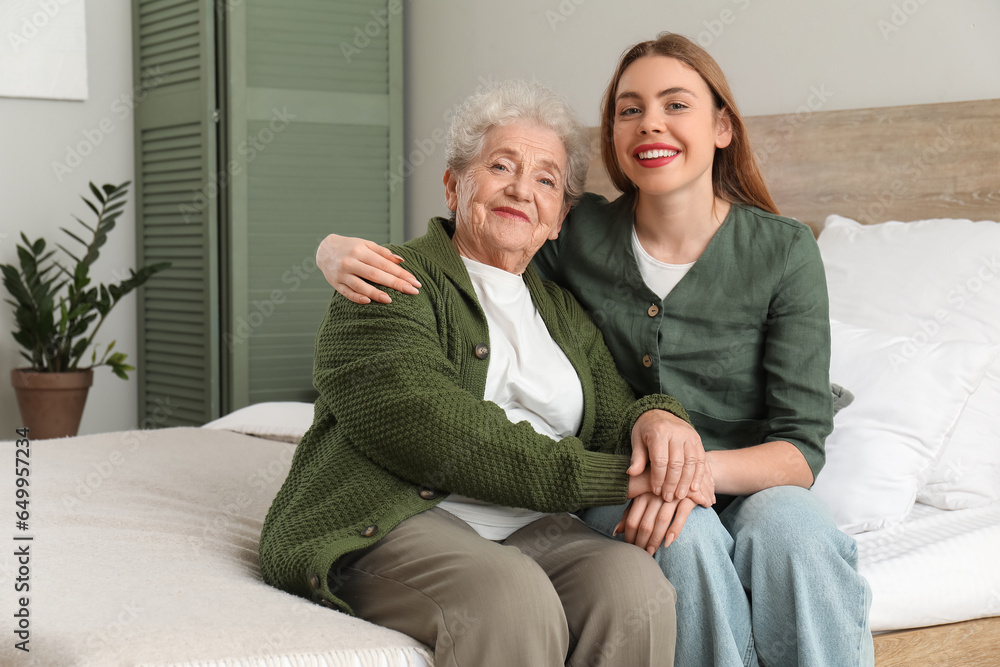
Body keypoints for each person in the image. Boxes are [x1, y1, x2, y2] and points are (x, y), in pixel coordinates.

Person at [314, 33, 875, 667]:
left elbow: (798, 448)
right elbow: (471, 255)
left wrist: (678, 468)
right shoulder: (577, 230)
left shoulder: (782, 250)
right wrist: (331, 249)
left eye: (675, 105)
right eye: (629, 109)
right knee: (679, 536)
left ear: (723, 126)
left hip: (735, 479)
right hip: (617, 478)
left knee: (796, 534)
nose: (650, 124)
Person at [259, 79, 704, 667]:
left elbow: (615, 408)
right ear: (453, 184)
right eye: (501, 166)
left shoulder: (562, 311)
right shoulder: (387, 279)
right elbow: (432, 430)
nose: (523, 189)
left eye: (546, 179)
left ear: (560, 218)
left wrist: (658, 416)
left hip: (524, 527)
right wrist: (618, 479)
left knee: (633, 586)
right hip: (395, 516)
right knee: (511, 596)